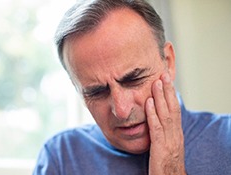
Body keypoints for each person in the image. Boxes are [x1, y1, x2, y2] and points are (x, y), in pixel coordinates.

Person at [33, 0, 231, 174]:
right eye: (97, 91)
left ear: (168, 62)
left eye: (134, 79)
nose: (121, 110)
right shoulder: (61, 157)